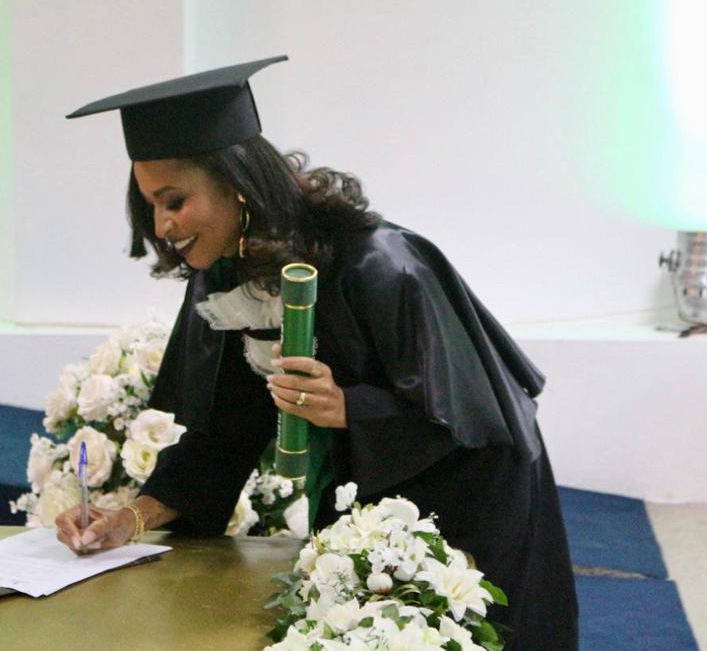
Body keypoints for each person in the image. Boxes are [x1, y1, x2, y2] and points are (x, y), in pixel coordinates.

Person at [57, 56, 578, 648]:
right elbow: (222, 434)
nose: (162, 226)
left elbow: (470, 421)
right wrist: (131, 517)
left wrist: (349, 408)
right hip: (362, 509)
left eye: (174, 201)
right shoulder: (224, 276)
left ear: (236, 186)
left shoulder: (384, 266)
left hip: (473, 502)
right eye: (150, 206)